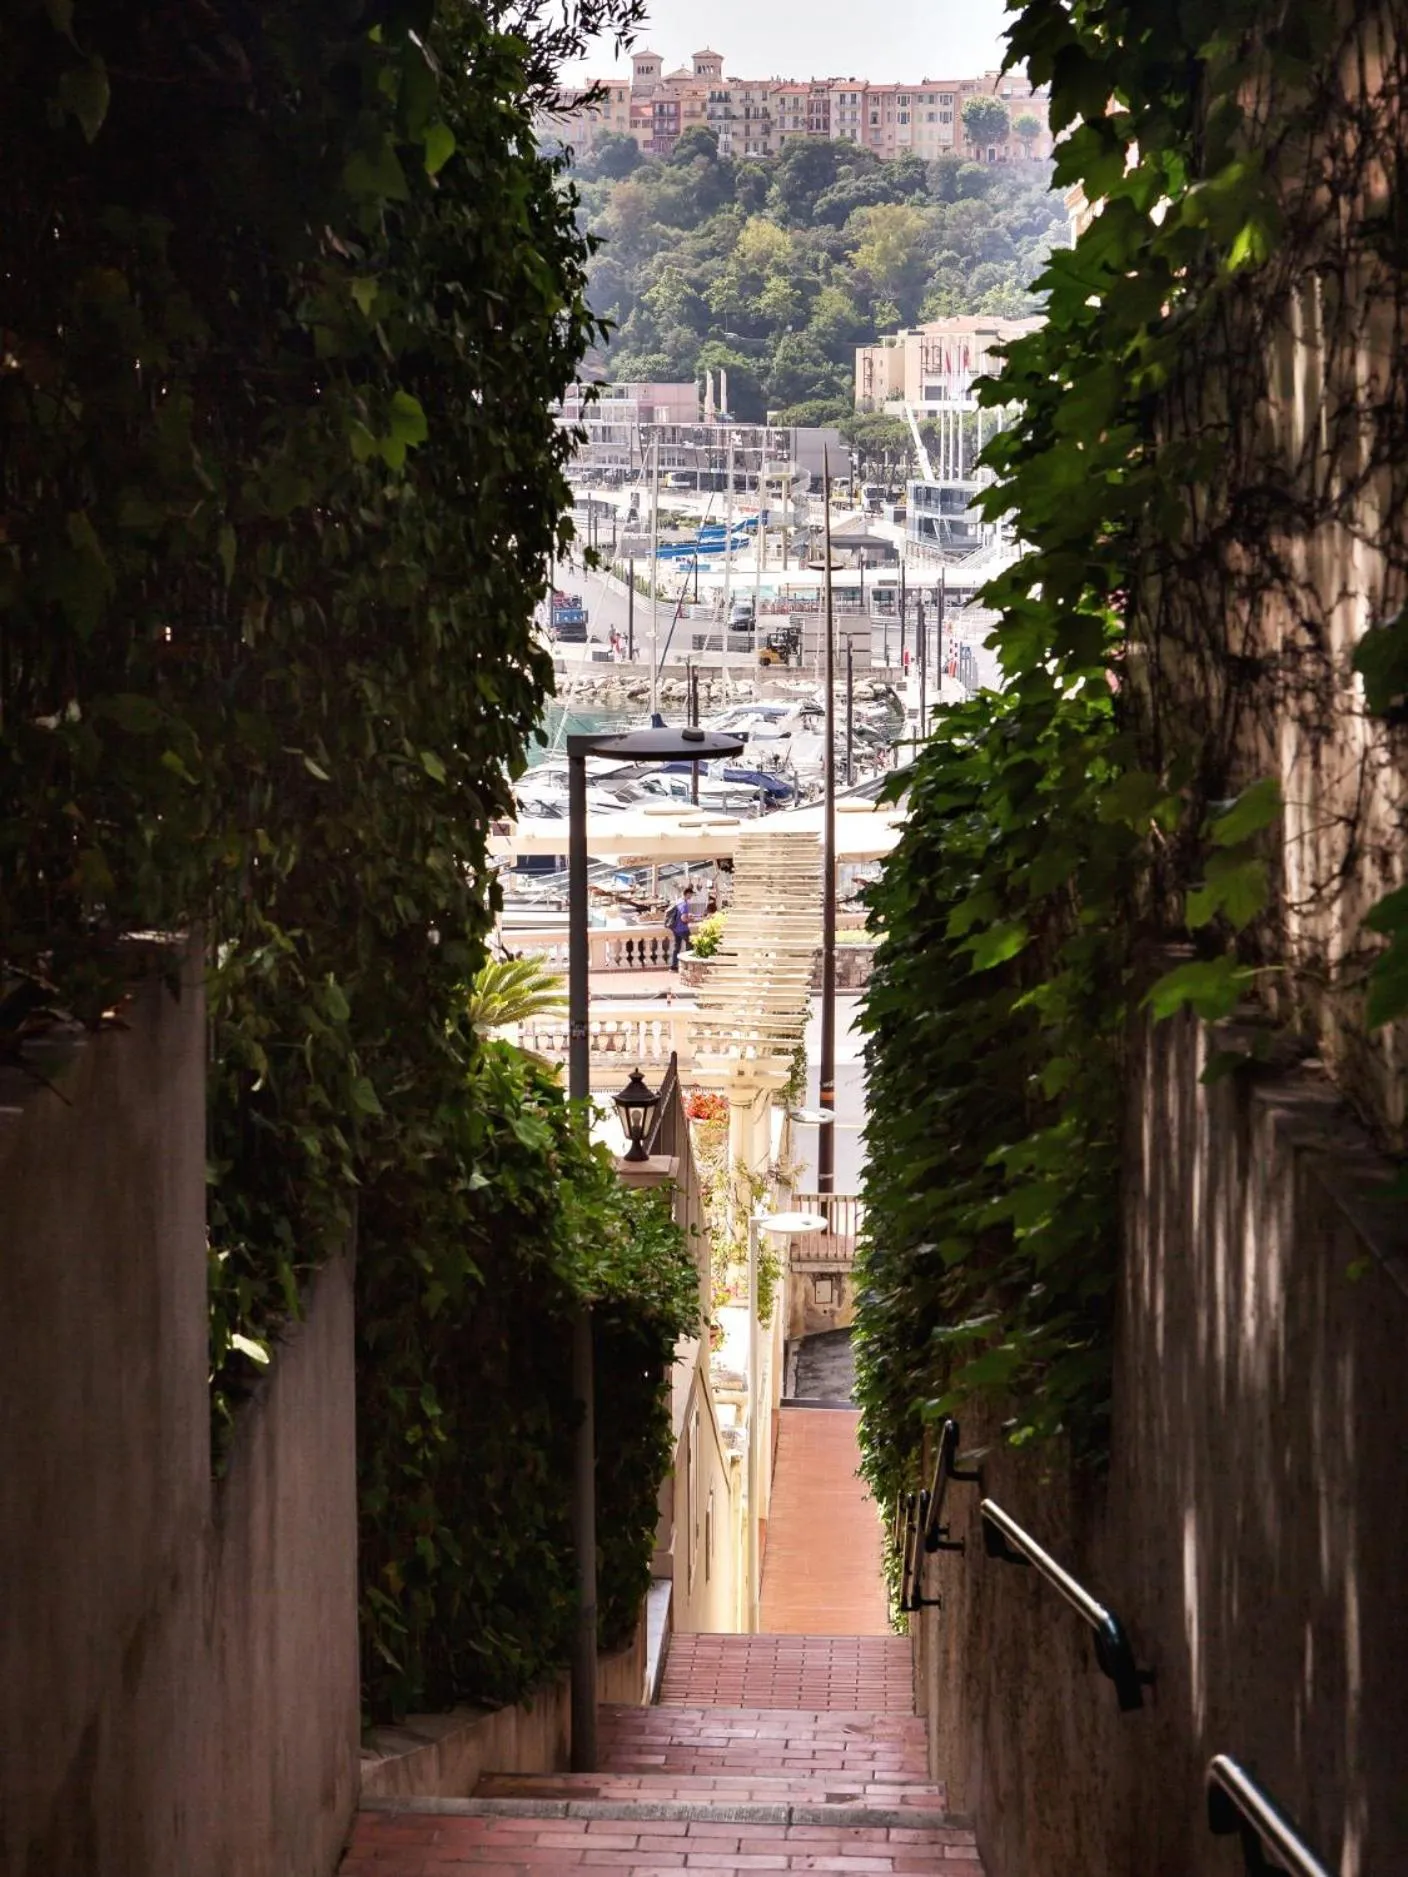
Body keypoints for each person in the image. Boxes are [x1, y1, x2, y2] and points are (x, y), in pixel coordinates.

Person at [666, 886, 693, 971]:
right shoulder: (684, 904)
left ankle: (674, 966)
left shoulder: (678, 902)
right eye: (691, 894)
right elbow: (683, 918)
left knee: (677, 947)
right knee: (691, 944)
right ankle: (688, 964)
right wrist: (690, 919)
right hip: (683, 928)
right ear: (687, 894)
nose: (691, 896)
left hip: (675, 928)